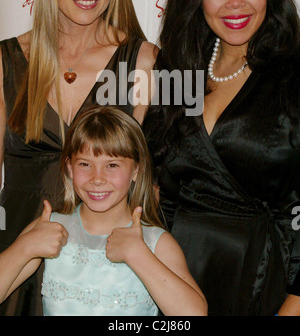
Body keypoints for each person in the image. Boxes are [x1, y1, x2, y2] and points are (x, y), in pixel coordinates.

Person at [143, 0, 300, 316]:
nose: (235, 2)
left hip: (266, 284)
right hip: (173, 284)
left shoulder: (293, 76)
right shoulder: (177, 72)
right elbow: (156, 190)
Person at [0, 0, 157, 315]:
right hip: (17, 250)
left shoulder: (143, 62)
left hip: (100, 270)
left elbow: (151, 180)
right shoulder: (7, 61)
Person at [0, 106, 207, 316]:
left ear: (136, 169)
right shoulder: (49, 228)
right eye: (85, 164)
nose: (97, 178)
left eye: (112, 165)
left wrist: (139, 255)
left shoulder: (155, 242)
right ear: (70, 169)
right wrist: (24, 247)